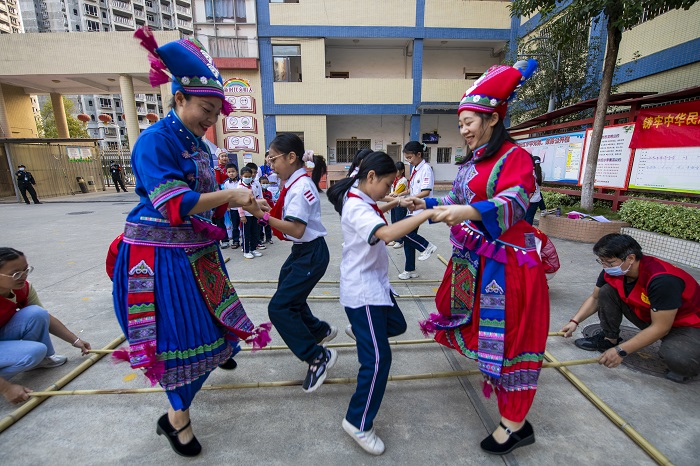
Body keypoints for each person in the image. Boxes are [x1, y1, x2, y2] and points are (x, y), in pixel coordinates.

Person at [113, 27, 270, 457]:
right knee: (176, 341)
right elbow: (174, 203)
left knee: (217, 326)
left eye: (216, 113)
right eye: (205, 108)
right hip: (161, 258)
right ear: (179, 97)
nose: (210, 119)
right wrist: (232, 195)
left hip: (198, 251)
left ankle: (212, 358)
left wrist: (243, 205)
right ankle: (176, 419)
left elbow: (206, 202)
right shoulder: (154, 142)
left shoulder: (200, 147)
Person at [414, 60, 547, 455]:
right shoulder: (475, 159)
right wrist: (421, 200)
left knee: (507, 341)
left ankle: (516, 425)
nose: (464, 130)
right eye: (461, 123)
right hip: (475, 260)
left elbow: (514, 201)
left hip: (507, 266)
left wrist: (468, 213)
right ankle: (505, 397)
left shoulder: (515, 157)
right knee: (468, 321)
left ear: (492, 118)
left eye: (470, 121)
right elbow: (460, 198)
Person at [327, 152, 433, 455]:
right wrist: (423, 215)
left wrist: (395, 203)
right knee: (377, 361)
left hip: (376, 287)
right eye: (387, 185)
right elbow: (385, 233)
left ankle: (362, 331)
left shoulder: (359, 197)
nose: (388, 190)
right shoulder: (358, 207)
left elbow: (376, 208)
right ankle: (357, 421)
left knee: (397, 325)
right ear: (371, 177)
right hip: (364, 294)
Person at [244, 133, 338, 393]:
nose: (270, 164)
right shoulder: (294, 184)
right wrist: (267, 207)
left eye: (273, 159)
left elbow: (296, 229)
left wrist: (261, 216)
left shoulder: (300, 187)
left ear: (291, 157)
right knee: (288, 292)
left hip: (310, 251)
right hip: (303, 252)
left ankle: (317, 356)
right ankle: (319, 330)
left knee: (279, 308)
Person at [562, 233, 700, 383]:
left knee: (679, 359)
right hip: (651, 315)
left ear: (631, 258)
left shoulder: (662, 280)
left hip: (686, 325)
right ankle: (610, 338)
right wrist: (574, 321)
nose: (605, 267)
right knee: (606, 291)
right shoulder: (616, 269)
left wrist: (621, 351)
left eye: (609, 262)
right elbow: (595, 298)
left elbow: (661, 328)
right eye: (602, 262)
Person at [0, 248, 91, 404]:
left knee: (36, 313)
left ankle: (42, 360)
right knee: (35, 351)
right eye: (16, 274)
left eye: (26, 270)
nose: (23, 276)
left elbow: (45, 318)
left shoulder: (23, 287)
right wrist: (7, 388)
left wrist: (75, 340)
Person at [398, 141, 437, 280]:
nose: (408, 160)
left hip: (421, 205)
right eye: (407, 158)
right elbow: (413, 189)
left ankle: (427, 246)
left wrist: (411, 199)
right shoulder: (416, 169)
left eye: (410, 157)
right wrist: (400, 194)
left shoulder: (426, 168)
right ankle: (410, 270)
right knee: (408, 240)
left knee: (403, 230)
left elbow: (426, 191)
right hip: (414, 206)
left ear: (418, 154)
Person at [238, 166, 263, 259]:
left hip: (254, 213)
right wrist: (242, 215)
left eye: (250, 176)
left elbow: (257, 198)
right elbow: (239, 203)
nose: (248, 178)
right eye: (246, 176)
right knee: (246, 233)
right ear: (241, 176)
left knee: (254, 232)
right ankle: (246, 250)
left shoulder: (254, 185)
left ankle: (253, 248)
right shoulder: (240, 187)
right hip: (246, 214)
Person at [386, 161, 408, 248]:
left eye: (397, 171)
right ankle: (395, 239)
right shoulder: (395, 180)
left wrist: (386, 198)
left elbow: (395, 193)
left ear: (402, 171)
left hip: (400, 204)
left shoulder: (403, 181)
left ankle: (401, 240)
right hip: (394, 203)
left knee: (399, 223)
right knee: (394, 222)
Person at [213, 151, 232, 248]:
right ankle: (224, 238)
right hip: (222, 193)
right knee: (220, 216)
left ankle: (232, 235)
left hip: (230, 192)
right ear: (218, 158)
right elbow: (218, 182)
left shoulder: (230, 168)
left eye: (226, 156)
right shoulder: (217, 169)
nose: (224, 158)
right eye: (222, 156)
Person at [223, 163, 241, 249]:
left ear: (237, 172)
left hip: (242, 207)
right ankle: (236, 241)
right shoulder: (226, 183)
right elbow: (226, 196)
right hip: (233, 208)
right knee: (235, 225)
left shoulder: (241, 182)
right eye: (229, 172)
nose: (231, 173)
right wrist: (228, 206)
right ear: (227, 173)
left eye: (233, 171)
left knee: (244, 224)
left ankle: (246, 240)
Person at [524, 156, 546, 225]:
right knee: (529, 218)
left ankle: (523, 234)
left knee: (523, 218)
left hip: (527, 198)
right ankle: (527, 234)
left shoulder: (528, 173)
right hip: (535, 199)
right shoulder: (542, 173)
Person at [259, 176, 275, 244]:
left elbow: (271, 202)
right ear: (260, 184)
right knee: (260, 226)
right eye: (263, 183)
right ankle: (261, 238)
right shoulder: (259, 193)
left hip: (267, 212)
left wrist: (272, 210)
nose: (265, 184)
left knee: (267, 225)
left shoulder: (269, 193)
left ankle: (269, 238)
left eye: (266, 183)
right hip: (260, 212)